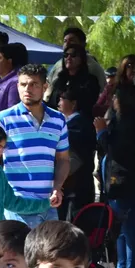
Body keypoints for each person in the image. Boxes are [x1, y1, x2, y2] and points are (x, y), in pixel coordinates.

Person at [0, 64, 69, 228]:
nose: (27, 89)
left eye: (33, 84)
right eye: (23, 84)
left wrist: (58, 187)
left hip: (49, 204)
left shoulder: (58, 119)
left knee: (49, 254)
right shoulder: (4, 119)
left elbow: (63, 159)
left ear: (45, 86)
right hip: (17, 205)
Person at [96, 85, 135, 268]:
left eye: (116, 96)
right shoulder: (120, 121)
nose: (113, 100)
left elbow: (117, 151)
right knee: (119, 232)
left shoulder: (131, 122)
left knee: (129, 231)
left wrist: (101, 132)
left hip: (126, 183)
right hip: (115, 183)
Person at [57, 88, 97, 220]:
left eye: (63, 99)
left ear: (73, 104)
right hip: (66, 187)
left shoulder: (80, 125)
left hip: (77, 186)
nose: (59, 102)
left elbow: (78, 156)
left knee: (73, 224)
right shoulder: (64, 123)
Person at [46, 27, 107, 92]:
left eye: (72, 40)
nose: (67, 44)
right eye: (65, 41)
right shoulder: (58, 64)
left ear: (83, 44)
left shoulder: (93, 68)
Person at [48, 45, 101, 116]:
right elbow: (52, 103)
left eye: (73, 55)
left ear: (81, 59)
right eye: (66, 55)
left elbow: (88, 106)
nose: (69, 58)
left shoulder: (90, 81)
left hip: (79, 123)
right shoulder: (59, 80)